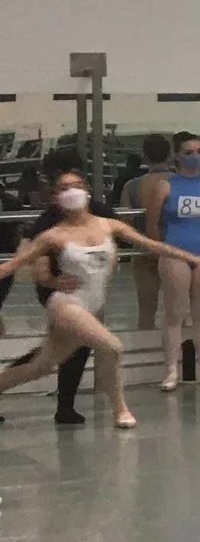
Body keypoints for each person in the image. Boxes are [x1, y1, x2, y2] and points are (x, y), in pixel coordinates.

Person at [0, 167, 200, 429]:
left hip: (92, 305)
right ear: (56, 197)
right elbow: (13, 265)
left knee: (41, 366)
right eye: (65, 188)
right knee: (112, 346)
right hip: (66, 305)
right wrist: (51, 280)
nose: (73, 192)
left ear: (88, 190)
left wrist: (196, 259)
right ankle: (121, 409)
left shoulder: (108, 224)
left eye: (78, 185)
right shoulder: (52, 235)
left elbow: (153, 245)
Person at [4, 150, 123, 422]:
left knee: (61, 350)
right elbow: (36, 259)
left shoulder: (97, 212)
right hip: (62, 292)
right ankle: (66, 406)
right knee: (68, 348)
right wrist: (52, 280)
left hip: (83, 290)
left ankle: (64, 405)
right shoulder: (52, 218)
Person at [137, 132, 200, 391]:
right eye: (188, 152)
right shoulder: (165, 186)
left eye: (199, 151)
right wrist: (164, 251)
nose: (195, 157)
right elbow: (152, 224)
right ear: (176, 155)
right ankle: (170, 371)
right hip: (174, 249)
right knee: (174, 313)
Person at [118, 134, 172, 331]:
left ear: (145, 156)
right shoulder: (181, 182)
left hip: (143, 248)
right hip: (176, 248)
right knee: (179, 310)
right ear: (170, 154)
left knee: (146, 311)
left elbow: (126, 222)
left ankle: (146, 349)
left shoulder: (131, 186)